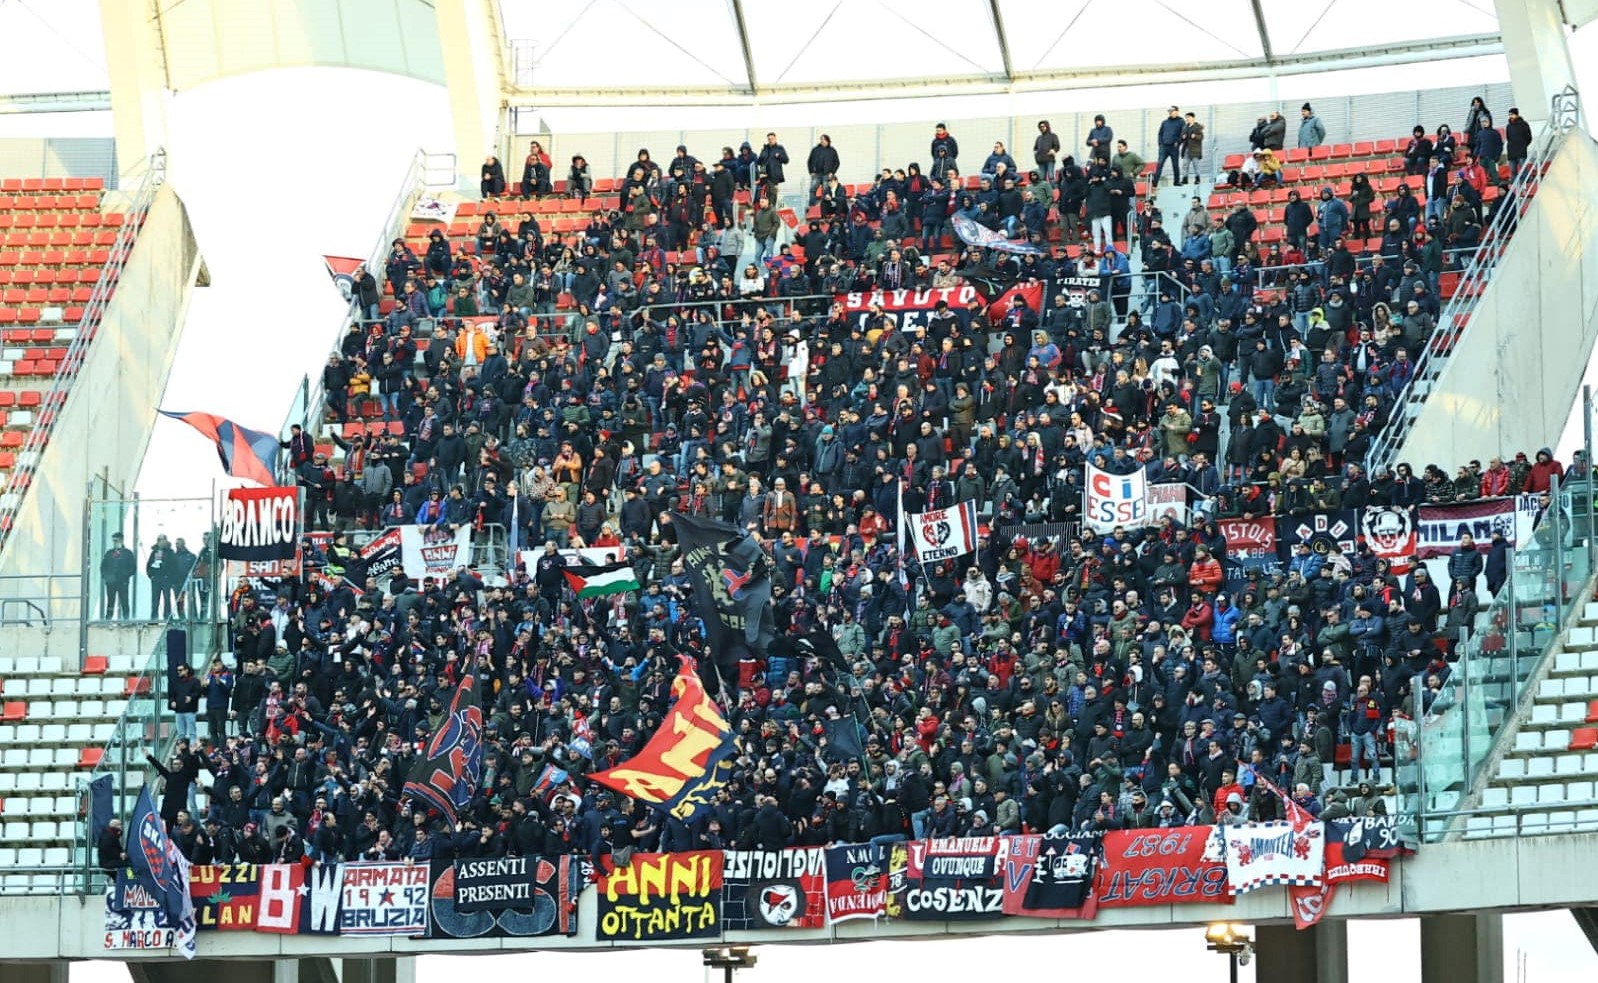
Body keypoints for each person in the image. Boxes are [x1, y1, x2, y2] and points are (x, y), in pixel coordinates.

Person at [101, 531, 135, 620]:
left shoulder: (127, 553)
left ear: (121, 540)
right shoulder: (109, 553)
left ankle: (126, 619)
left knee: (124, 601)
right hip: (111, 582)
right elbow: (103, 567)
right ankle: (108, 619)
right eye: (113, 541)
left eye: (116, 540)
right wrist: (107, 577)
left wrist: (124, 575)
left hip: (122, 582)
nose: (114, 543)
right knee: (110, 601)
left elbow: (132, 568)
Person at [1152, 105, 1184, 187]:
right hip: (1164, 147)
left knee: (1175, 165)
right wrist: (1160, 144)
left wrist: (1178, 142)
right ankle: (1155, 183)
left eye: (1172, 111)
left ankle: (1176, 182)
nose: (1170, 113)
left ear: (1177, 111)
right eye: (1169, 111)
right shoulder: (1165, 122)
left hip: (1174, 147)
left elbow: (1183, 133)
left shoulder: (1181, 121)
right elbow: (1160, 134)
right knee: (1160, 164)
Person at [146, 533, 176, 620]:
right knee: (155, 599)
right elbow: (149, 565)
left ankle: (167, 617)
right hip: (156, 579)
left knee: (167, 598)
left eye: (162, 540)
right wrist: (151, 575)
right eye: (159, 540)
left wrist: (168, 575)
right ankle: (154, 617)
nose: (160, 542)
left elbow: (173, 565)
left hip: (165, 578)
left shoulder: (170, 552)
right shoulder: (154, 552)